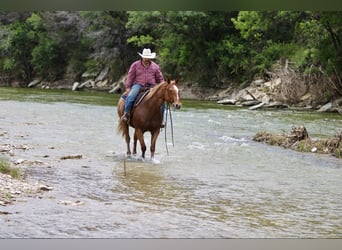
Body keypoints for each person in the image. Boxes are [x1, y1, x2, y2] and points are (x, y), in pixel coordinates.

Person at [121, 48, 165, 126]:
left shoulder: (155, 67)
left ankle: (161, 120)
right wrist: (128, 87)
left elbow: (160, 79)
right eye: (145, 57)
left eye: (148, 57)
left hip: (152, 86)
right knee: (131, 96)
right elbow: (130, 76)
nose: (146, 59)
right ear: (142, 57)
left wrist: (163, 87)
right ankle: (126, 114)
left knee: (161, 101)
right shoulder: (135, 65)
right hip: (138, 84)